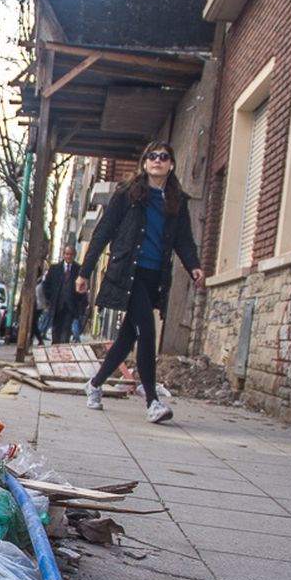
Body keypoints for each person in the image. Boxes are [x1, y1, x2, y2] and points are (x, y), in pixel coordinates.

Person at [76, 140, 204, 423]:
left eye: (164, 157)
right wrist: (85, 271)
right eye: (152, 156)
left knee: (127, 338)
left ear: (170, 164)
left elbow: (184, 240)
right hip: (127, 276)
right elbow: (103, 233)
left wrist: (194, 266)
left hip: (154, 278)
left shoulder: (176, 201)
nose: (157, 160)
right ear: (145, 163)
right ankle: (152, 401)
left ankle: (95, 384)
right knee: (147, 331)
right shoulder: (127, 194)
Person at [43, 246, 85, 344]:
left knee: (66, 330)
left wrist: (79, 304)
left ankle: (63, 347)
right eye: (67, 254)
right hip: (57, 305)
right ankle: (55, 348)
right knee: (56, 329)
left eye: (71, 254)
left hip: (70, 306)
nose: (68, 256)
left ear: (74, 256)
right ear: (63, 255)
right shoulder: (54, 269)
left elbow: (82, 289)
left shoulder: (79, 270)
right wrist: (49, 299)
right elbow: (46, 285)